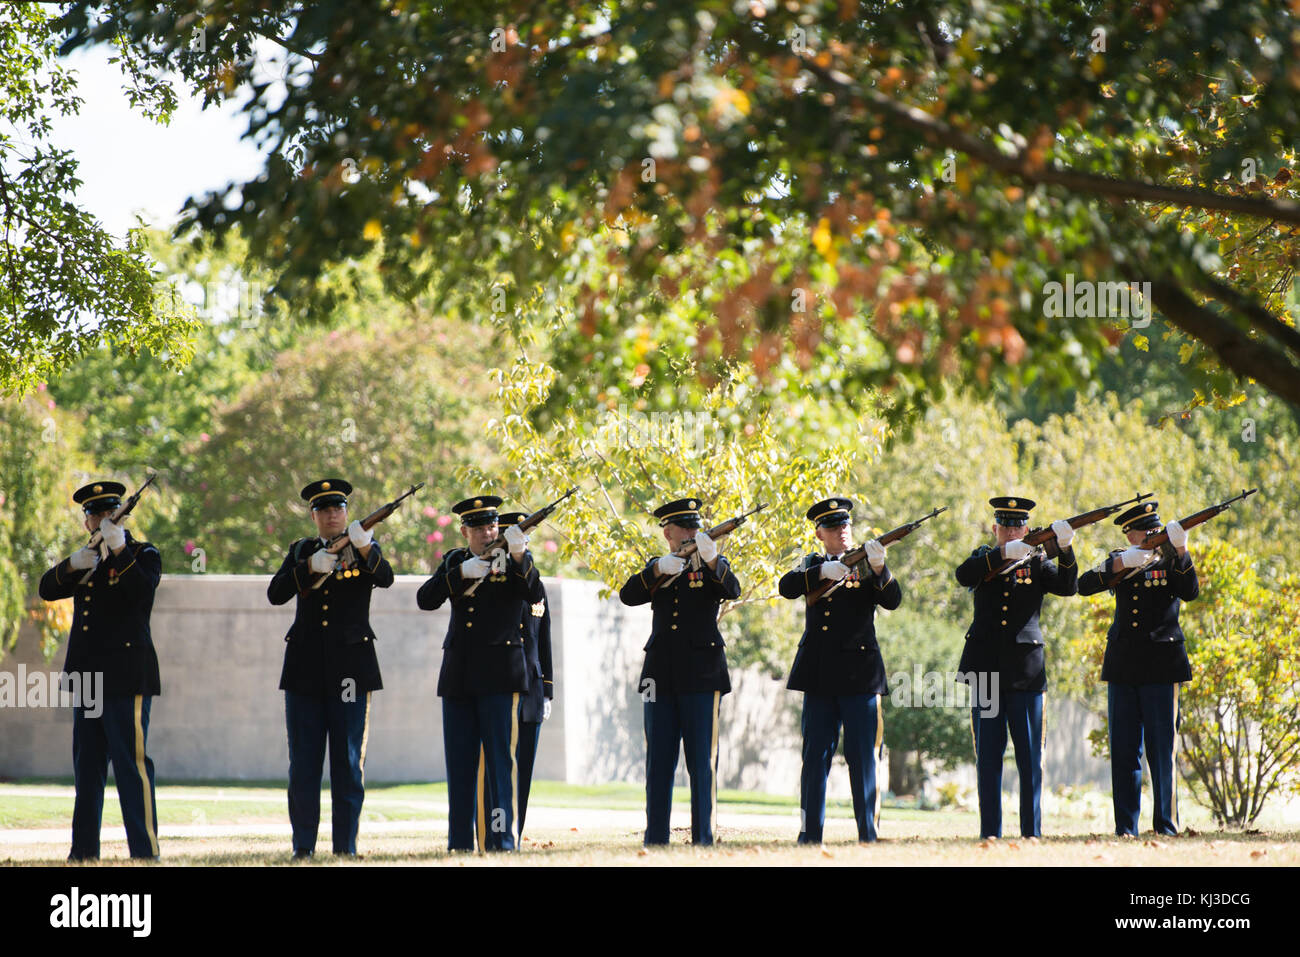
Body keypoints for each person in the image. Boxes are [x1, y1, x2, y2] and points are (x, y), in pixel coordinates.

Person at [267, 478, 392, 858]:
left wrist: (366, 545)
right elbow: (276, 593)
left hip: (351, 672)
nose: (332, 515)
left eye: (338, 508)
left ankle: (346, 848)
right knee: (303, 765)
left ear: (347, 513)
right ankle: (302, 848)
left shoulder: (365, 548)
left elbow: (385, 578)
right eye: (324, 509)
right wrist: (307, 569)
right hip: (305, 672)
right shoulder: (301, 550)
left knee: (348, 763)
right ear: (314, 516)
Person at [39, 480, 162, 861]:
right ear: (87, 522)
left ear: (120, 515)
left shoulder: (142, 553)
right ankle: (83, 852)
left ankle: (144, 852)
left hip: (126, 675)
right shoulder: (87, 557)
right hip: (88, 677)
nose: (102, 519)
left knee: (131, 765)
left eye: (109, 512)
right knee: (88, 767)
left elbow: (141, 593)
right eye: (94, 514)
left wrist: (120, 549)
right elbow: (47, 588)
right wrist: (72, 564)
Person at [418, 495, 543, 852]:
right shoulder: (455, 560)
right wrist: (459, 575)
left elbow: (533, 594)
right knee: (460, 764)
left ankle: (502, 840)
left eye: (491, 525)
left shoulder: (516, 560)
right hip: (459, 674)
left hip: (501, 674)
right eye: (478, 527)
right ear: (465, 531)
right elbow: (426, 599)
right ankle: (459, 843)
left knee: (501, 763)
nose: (487, 532)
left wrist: (519, 556)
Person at [778, 497, 900, 844]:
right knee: (814, 760)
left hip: (861, 677)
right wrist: (821, 572)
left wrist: (880, 570)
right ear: (820, 534)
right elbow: (786, 587)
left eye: (845, 525)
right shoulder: (812, 565)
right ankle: (809, 833)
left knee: (864, 760)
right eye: (833, 527)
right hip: (818, 677)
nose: (842, 532)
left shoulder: (867, 562)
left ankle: (868, 834)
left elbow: (892, 600)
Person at [619, 497, 740, 847]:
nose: (692, 532)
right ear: (668, 533)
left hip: (702, 673)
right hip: (657, 674)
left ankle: (704, 837)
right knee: (658, 760)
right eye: (685, 528)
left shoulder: (713, 564)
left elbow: (733, 589)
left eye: (695, 526)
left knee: (701, 761)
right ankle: (655, 837)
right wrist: (658, 569)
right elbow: (629, 595)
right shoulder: (658, 565)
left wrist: (713, 559)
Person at [955, 496, 1077, 839]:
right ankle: (989, 832)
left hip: (1026, 671)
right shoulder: (983, 559)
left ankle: (1031, 832)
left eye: (1017, 526)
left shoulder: (1037, 562)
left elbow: (1068, 587)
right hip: (986, 672)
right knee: (989, 758)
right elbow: (962, 575)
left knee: (1029, 760)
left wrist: (1065, 550)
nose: (1011, 532)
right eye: (1005, 526)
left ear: (1027, 528)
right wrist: (999, 556)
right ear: (995, 528)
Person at [1078, 500, 1196, 837]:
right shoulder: (1122, 559)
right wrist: (1121, 563)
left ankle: (1166, 825)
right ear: (1129, 535)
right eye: (1144, 531)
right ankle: (1125, 827)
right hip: (1124, 667)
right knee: (1125, 752)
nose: (1151, 534)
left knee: (1163, 753)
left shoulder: (1173, 559)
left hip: (1163, 665)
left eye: (1154, 529)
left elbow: (1191, 592)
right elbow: (1084, 585)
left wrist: (1181, 550)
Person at [476, 511, 553, 846]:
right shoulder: (494, 579)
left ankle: (513, 835)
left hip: (531, 690)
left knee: (522, 773)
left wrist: (548, 690)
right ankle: (490, 835)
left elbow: (544, 639)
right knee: (494, 771)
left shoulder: (535, 583)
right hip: (500, 680)